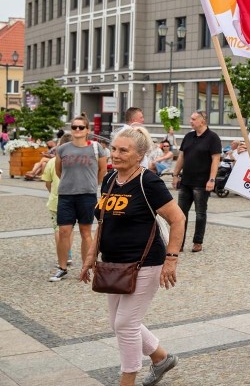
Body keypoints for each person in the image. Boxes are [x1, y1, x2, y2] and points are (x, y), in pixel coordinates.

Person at [80, 126, 185, 386]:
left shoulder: (147, 181)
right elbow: (102, 221)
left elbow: (178, 218)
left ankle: (126, 380)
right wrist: (91, 256)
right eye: (113, 148)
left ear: (139, 155)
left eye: (123, 150)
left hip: (145, 263)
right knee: (119, 323)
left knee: (126, 324)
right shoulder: (110, 179)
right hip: (113, 264)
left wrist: (171, 260)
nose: (115, 154)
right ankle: (162, 359)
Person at [51, 115, 108, 282]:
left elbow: (102, 171)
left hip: (87, 195)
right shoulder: (62, 149)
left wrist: (90, 185)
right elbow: (59, 171)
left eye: (81, 127)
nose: (77, 130)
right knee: (64, 232)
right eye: (74, 127)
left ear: (87, 130)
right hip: (66, 195)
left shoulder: (97, 148)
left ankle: (87, 267)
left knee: (85, 232)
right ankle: (62, 268)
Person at [171, 110, 221, 253]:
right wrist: (175, 175)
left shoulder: (212, 138)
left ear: (202, 121)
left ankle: (197, 242)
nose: (190, 121)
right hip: (186, 181)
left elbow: (215, 160)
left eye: (193, 119)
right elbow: (181, 157)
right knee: (181, 214)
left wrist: (212, 179)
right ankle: (179, 243)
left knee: (200, 214)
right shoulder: (188, 136)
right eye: (191, 118)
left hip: (202, 182)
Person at [43, 134, 73, 270]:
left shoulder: (52, 162)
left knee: (58, 230)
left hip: (56, 200)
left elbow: (47, 182)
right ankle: (69, 254)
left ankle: (62, 257)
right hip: (73, 199)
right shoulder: (76, 162)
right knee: (69, 230)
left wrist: (52, 192)